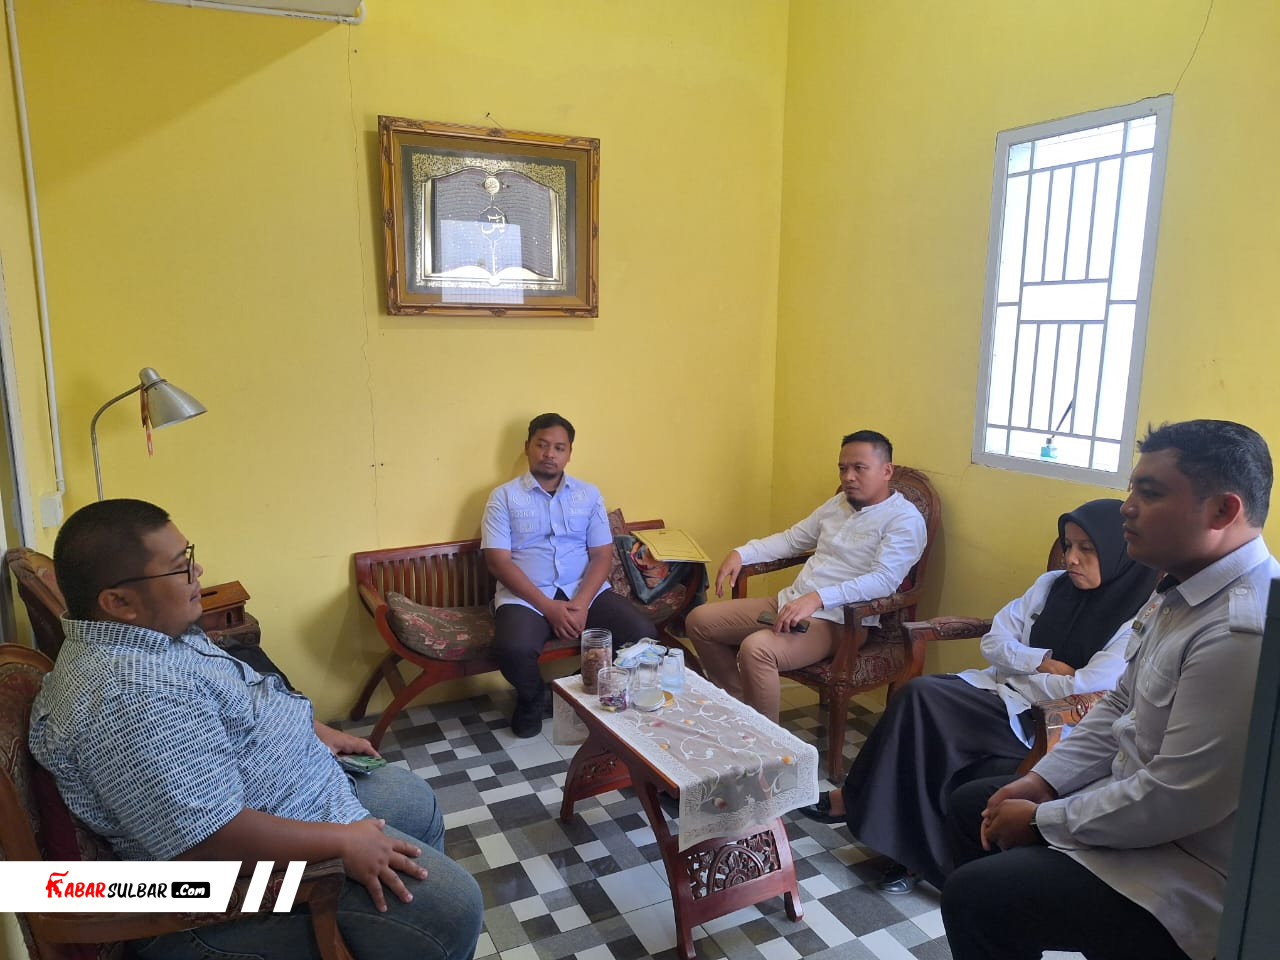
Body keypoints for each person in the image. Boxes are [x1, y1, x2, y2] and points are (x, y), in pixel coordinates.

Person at [28, 499, 483, 960]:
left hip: (292, 798)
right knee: (454, 909)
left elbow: (244, 694)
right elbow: (209, 842)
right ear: (118, 601)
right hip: (225, 903)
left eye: (189, 555)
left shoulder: (153, 634)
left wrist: (313, 730)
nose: (197, 571)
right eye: (180, 566)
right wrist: (344, 842)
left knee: (417, 802)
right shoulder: (129, 695)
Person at [942, 420, 1278, 960]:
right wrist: (1043, 782)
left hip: (1186, 863)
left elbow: (1178, 797)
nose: (1126, 507)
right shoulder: (1178, 587)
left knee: (976, 897)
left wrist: (1041, 820)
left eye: (1150, 493)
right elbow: (1120, 703)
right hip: (1134, 810)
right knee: (973, 806)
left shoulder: (1244, 630)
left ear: (1222, 511)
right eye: (1131, 489)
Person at [798, 498, 1158, 894]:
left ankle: (865, 812)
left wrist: (1018, 670)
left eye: (1086, 549)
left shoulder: (1139, 618)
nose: (1071, 558)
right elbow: (994, 642)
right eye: (1068, 545)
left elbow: (1086, 686)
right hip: (996, 696)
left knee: (925, 707)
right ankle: (904, 850)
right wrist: (1039, 662)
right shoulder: (1051, 585)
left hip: (1047, 723)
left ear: (1118, 553)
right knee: (920, 700)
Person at [686, 430, 927, 722]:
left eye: (859, 468)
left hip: (841, 622)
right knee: (699, 621)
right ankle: (739, 711)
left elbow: (884, 580)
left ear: (886, 470)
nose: (848, 477)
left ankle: (768, 744)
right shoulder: (837, 504)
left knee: (757, 649)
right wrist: (741, 553)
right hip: (792, 603)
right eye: (842, 468)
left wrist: (817, 599)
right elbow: (792, 540)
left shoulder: (904, 519)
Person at [482, 412, 653, 736]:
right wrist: (549, 607)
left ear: (569, 453)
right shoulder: (503, 497)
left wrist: (582, 604)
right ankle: (533, 698)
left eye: (559, 448)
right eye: (542, 445)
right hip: (527, 596)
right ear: (527, 447)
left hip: (583, 590)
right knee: (513, 649)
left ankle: (574, 687)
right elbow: (498, 562)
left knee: (640, 632)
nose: (550, 454)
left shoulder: (588, 494)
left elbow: (601, 554)